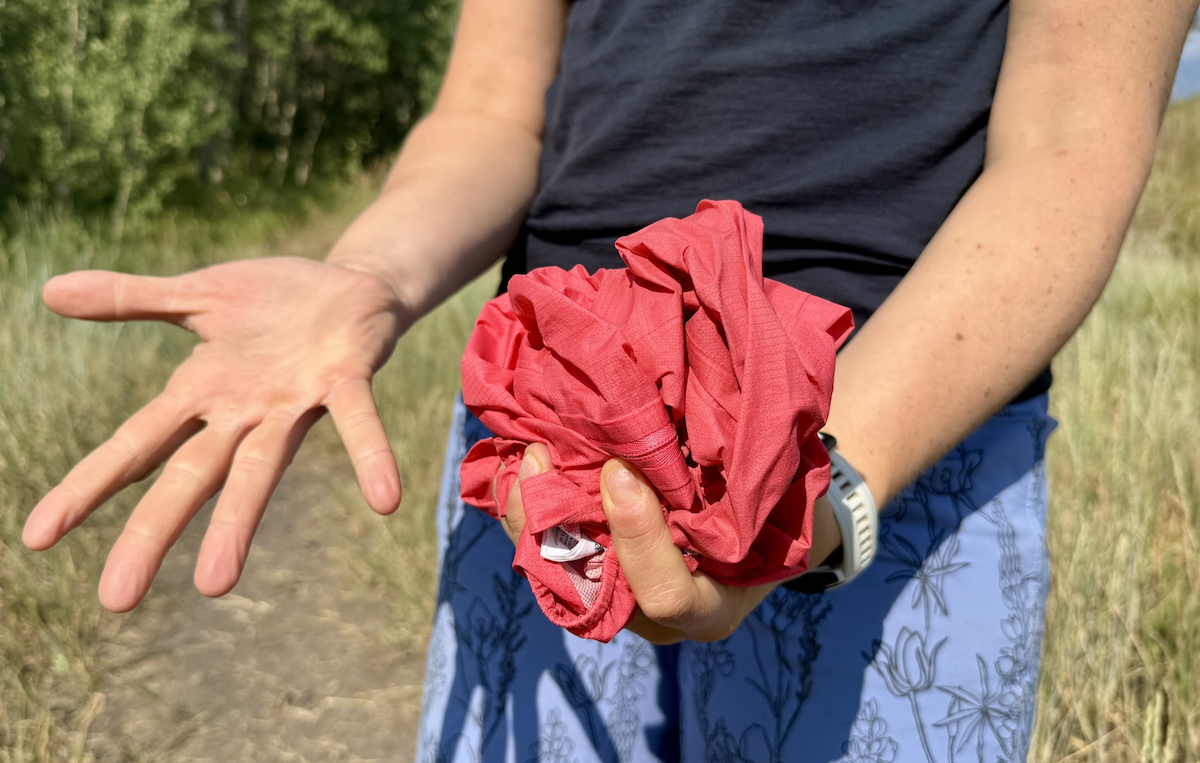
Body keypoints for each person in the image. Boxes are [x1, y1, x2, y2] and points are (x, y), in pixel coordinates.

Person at [22, 0, 1198, 760]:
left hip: (896, 444)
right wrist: (367, 274)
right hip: (557, 431)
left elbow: (1068, 147)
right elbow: (493, 108)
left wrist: (811, 493)